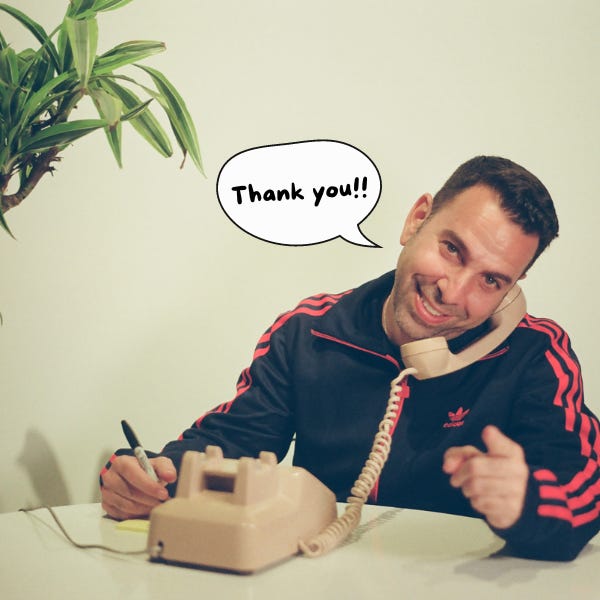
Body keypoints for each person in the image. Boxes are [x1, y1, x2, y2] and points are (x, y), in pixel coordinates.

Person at [100, 156, 600, 561]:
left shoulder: (537, 353)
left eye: (491, 280)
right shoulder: (307, 332)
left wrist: (529, 499)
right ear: (417, 219)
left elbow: (584, 490)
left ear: (512, 289)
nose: (453, 293)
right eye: (452, 249)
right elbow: (232, 443)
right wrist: (153, 477)